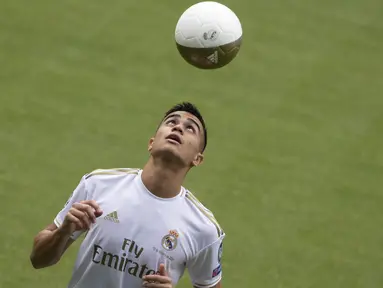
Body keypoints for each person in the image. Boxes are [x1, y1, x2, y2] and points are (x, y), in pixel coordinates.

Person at [30, 102, 225, 288]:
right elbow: (38, 259)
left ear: (197, 159)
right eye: (171, 122)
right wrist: (63, 231)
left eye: (190, 128)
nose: (178, 128)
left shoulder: (204, 228)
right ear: (151, 143)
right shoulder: (98, 184)